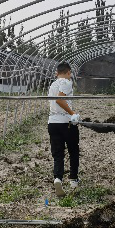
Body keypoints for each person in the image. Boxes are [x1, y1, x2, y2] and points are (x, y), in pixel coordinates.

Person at [48, 62, 80, 196]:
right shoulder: (66, 82)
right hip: (66, 122)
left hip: (52, 123)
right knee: (73, 150)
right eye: (70, 74)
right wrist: (73, 114)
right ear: (68, 72)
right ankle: (73, 179)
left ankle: (58, 178)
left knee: (58, 153)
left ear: (57, 72)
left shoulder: (53, 84)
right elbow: (60, 100)